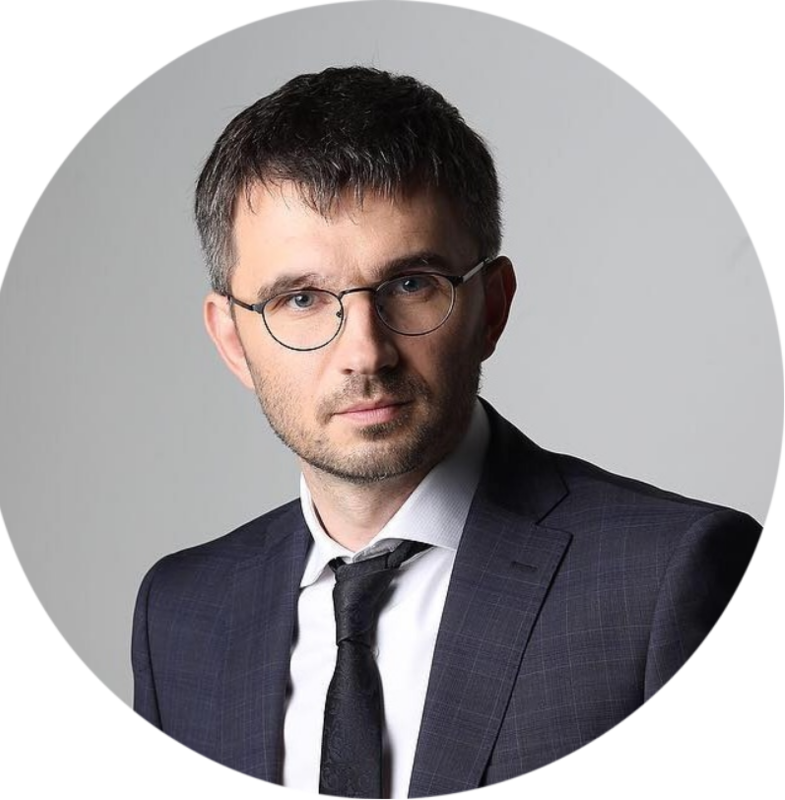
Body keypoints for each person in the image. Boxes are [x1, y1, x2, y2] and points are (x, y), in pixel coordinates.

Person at [131, 66, 763, 797]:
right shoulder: (180, 614)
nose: (365, 352)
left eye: (410, 285)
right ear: (232, 339)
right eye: (300, 299)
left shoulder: (668, 579)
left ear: (492, 307)